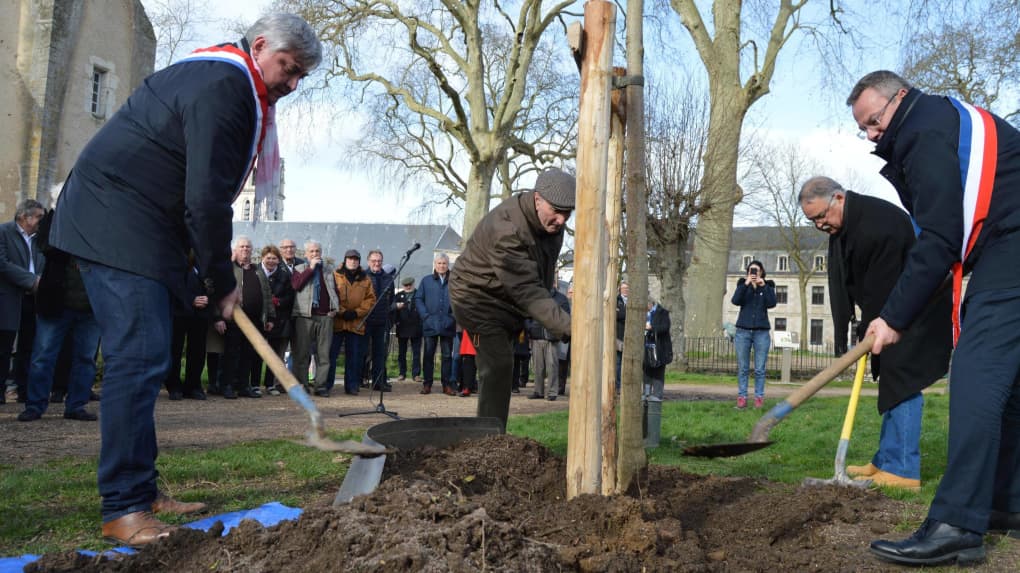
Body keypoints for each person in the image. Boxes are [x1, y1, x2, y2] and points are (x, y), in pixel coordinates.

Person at [46, 13, 321, 546]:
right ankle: (124, 507)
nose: (291, 85)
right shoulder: (225, 87)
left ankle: (142, 491)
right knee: (140, 355)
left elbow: (192, 195)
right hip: (113, 217)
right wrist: (222, 280)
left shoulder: (229, 81)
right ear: (261, 46)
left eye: (300, 77)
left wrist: (204, 276)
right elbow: (205, 199)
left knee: (148, 358)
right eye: (288, 69)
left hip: (139, 222)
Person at [847, 70, 1020, 565]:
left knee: (976, 378)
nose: (872, 135)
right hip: (1006, 248)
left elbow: (940, 237)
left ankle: (958, 522)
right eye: (864, 129)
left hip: (1012, 248)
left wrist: (893, 316)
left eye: (874, 122)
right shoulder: (940, 119)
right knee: (1011, 389)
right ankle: (1008, 502)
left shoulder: (923, 133)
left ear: (899, 97)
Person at [799, 176, 952, 490]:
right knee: (893, 383)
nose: (819, 225)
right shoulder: (847, 226)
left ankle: (903, 471)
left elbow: (884, 285)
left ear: (838, 198)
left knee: (905, 382)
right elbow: (856, 283)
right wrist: (860, 326)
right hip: (892, 310)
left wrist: (874, 325)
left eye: (821, 216)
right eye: (812, 220)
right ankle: (885, 461)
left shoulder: (877, 225)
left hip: (918, 312)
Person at [449, 168, 574, 428]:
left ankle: (492, 434)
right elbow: (528, 291)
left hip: (507, 301)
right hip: (476, 299)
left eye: (568, 213)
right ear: (537, 199)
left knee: (503, 362)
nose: (562, 220)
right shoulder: (506, 229)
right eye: (557, 211)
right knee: (498, 366)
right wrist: (571, 327)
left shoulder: (552, 225)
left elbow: (543, 273)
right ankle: (489, 442)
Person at [17, 210, 100, 421]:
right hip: (56, 302)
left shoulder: (103, 219)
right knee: (43, 357)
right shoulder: (56, 218)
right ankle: (35, 405)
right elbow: (45, 246)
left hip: (91, 304)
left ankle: (77, 405)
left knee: (85, 358)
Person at [1, 199, 45, 404]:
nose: (41, 221)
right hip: (9, 298)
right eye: (38, 217)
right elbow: (2, 264)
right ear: (23, 217)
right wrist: (32, 280)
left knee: (29, 347)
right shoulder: (3, 232)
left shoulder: (41, 238)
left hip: (34, 300)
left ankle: (25, 391)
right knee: (4, 346)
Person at [219, 236, 274, 399]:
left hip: (255, 320)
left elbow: (267, 294)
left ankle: (244, 385)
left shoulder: (258, 270)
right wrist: (218, 317)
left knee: (247, 354)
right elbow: (219, 292)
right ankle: (227, 385)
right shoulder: (229, 269)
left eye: (248, 247)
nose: (245, 250)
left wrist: (270, 316)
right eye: (242, 247)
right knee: (231, 353)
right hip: (234, 319)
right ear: (235, 250)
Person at [291, 241, 337, 395]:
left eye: (317, 251)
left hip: (325, 317)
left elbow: (334, 290)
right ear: (305, 254)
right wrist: (310, 268)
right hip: (305, 316)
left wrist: (335, 309)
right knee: (302, 353)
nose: (315, 254)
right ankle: (302, 385)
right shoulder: (298, 269)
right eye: (311, 251)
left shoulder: (329, 270)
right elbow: (297, 285)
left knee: (323, 355)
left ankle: (320, 386)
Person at [730, 260, 776, 409]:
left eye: (756, 271)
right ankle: (742, 397)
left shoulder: (768, 286)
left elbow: (772, 303)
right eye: (751, 270)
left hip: (761, 332)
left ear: (762, 272)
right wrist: (746, 284)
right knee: (743, 367)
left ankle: (759, 398)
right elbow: (735, 301)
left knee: (760, 369)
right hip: (743, 331)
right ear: (747, 272)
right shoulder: (742, 284)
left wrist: (763, 286)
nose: (754, 273)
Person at [165, 255, 210, 401]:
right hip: (178, 312)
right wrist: (191, 300)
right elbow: (172, 285)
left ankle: (193, 386)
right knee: (175, 350)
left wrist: (208, 297)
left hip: (201, 314)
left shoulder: (204, 260)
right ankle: (174, 386)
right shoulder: (176, 257)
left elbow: (214, 284)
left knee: (197, 351)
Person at [331, 249, 375, 396]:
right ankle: (327, 384)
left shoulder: (366, 279)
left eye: (356, 259)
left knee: (355, 356)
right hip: (337, 321)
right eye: (350, 258)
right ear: (345, 260)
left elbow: (370, 299)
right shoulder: (335, 275)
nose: (353, 261)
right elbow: (331, 294)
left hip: (356, 323)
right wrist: (342, 311)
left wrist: (357, 312)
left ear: (359, 261)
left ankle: (352, 386)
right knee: (331, 355)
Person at [415, 253, 456, 395]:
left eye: (444, 263)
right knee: (428, 355)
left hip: (448, 324)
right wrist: (425, 316)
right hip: (430, 324)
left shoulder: (454, 281)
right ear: (434, 264)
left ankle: (447, 385)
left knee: (447, 356)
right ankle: (427, 384)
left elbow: (459, 300)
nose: (441, 266)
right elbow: (418, 299)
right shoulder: (426, 281)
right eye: (439, 263)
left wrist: (452, 318)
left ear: (448, 265)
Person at [259, 245, 294, 395]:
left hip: (277, 320)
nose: (271, 261)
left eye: (274, 258)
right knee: (255, 353)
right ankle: (252, 383)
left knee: (273, 353)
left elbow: (290, 297)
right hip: (258, 317)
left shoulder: (284, 276)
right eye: (269, 258)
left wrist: (278, 302)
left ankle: (270, 384)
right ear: (263, 258)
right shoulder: (256, 272)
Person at [527, 286, 570, 401]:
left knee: (552, 366)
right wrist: (530, 328)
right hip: (537, 336)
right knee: (538, 367)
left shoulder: (561, 299)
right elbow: (527, 314)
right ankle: (538, 391)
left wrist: (558, 332)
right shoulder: (536, 297)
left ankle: (552, 392)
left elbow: (566, 317)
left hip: (552, 338)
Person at [364, 250, 394, 392]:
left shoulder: (388, 278)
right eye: (374, 261)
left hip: (382, 321)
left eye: (379, 261)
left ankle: (378, 382)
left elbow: (391, 299)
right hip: (365, 319)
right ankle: (359, 380)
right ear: (368, 261)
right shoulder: (363, 276)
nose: (377, 263)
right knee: (362, 351)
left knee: (380, 353)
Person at [393, 276, 423, 382]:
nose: (408, 287)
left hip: (416, 327)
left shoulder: (419, 294)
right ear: (403, 286)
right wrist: (396, 321)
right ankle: (402, 373)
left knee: (416, 352)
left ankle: (416, 374)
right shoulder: (398, 296)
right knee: (402, 352)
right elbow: (394, 310)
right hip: (402, 327)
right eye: (406, 285)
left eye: (410, 285)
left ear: (413, 284)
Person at [643, 297, 673, 400]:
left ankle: (657, 395)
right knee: (646, 371)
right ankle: (646, 394)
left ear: (650, 304)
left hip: (659, 348)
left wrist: (652, 328)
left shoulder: (663, 313)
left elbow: (665, 327)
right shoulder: (644, 313)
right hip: (646, 346)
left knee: (658, 372)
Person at [614, 282, 628, 392]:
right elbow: (618, 315)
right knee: (618, 361)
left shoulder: (632, 299)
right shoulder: (616, 300)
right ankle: (618, 385)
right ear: (620, 289)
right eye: (624, 288)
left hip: (629, 336)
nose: (625, 290)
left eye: (627, 289)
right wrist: (625, 315)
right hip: (619, 335)